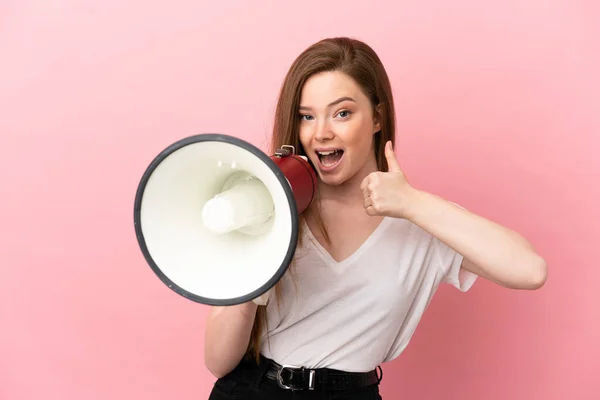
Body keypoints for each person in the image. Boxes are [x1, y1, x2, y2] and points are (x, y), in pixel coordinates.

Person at [204, 37, 547, 400]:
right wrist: (250, 280)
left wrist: (412, 203)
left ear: (377, 118)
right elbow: (217, 361)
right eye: (307, 116)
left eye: (342, 113)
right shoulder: (269, 208)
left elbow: (530, 270)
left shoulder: (420, 220)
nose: (321, 132)